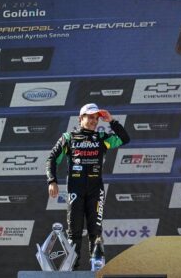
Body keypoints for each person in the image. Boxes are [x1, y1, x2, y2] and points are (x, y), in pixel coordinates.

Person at [46, 103, 130, 269]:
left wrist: (111, 121)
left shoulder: (102, 139)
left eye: (96, 118)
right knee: (74, 233)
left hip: (95, 191)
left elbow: (124, 139)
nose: (94, 121)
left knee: (95, 231)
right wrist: (52, 181)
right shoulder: (69, 138)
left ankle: (97, 268)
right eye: (90, 117)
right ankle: (72, 268)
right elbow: (51, 158)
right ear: (81, 118)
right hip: (75, 191)